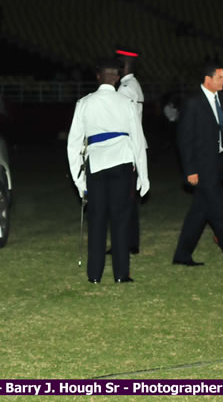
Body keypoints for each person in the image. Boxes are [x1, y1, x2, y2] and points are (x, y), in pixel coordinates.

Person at [67, 58, 149, 284]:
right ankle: (121, 275)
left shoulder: (84, 103)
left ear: (98, 76)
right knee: (121, 221)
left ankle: (94, 275)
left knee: (97, 221)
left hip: (96, 165)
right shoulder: (126, 103)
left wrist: (78, 179)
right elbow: (138, 141)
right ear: (116, 77)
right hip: (122, 164)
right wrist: (144, 174)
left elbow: (73, 144)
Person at [172, 61, 223, 270]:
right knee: (218, 213)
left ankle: (182, 255)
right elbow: (185, 139)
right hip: (203, 166)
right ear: (208, 79)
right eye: (220, 77)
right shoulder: (193, 103)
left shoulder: (222, 99)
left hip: (220, 164)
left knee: (199, 213)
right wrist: (190, 170)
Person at [116, 48, 145, 254]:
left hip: (127, 147)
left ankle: (125, 242)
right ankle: (131, 242)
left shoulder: (125, 88)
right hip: (135, 146)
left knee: (122, 198)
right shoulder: (134, 85)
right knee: (129, 198)